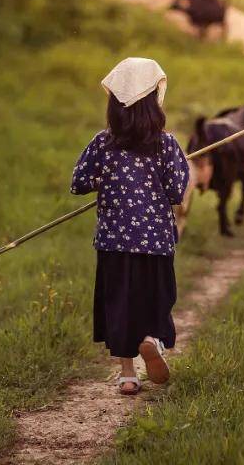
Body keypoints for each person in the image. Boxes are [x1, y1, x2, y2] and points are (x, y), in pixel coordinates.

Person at [70, 57, 190, 395]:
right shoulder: (166, 144)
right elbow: (176, 191)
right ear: (154, 101)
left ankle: (127, 374)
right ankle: (151, 339)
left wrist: (105, 179)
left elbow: (79, 182)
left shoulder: (103, 143)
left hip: (113, 242)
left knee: (120, 304)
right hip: (155, 242)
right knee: (156, 299)